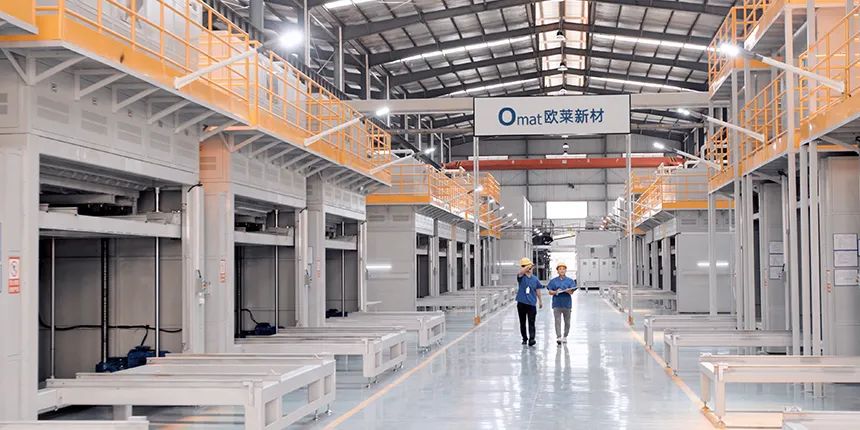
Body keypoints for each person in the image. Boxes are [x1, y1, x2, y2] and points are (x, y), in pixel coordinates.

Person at [546, 262, 576, 345]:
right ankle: (558, 337)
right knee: (557, 321)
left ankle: (565, 336)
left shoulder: (570, 281)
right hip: (557, 304)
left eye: (563, 269)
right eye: (560, 269)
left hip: (567, 304)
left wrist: (567, 290)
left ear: (566, 270)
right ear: (557, 271)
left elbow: (571, 292)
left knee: (567, 322)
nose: (562, 270)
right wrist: (556, 292)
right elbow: (550, 291)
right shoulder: (553, 281)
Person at [516, 257, 543, 347]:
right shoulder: (521, 277)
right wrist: (527, 267)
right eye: (525, 266)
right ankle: (524, 338)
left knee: (531, 322)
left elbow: (538, 290)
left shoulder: (535, 279)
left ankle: (532, 339)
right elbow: (520, 273)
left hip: (531, 304)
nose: (529, 268)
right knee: (522, 322)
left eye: (530, 267)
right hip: (521, 303)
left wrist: (540, 301)